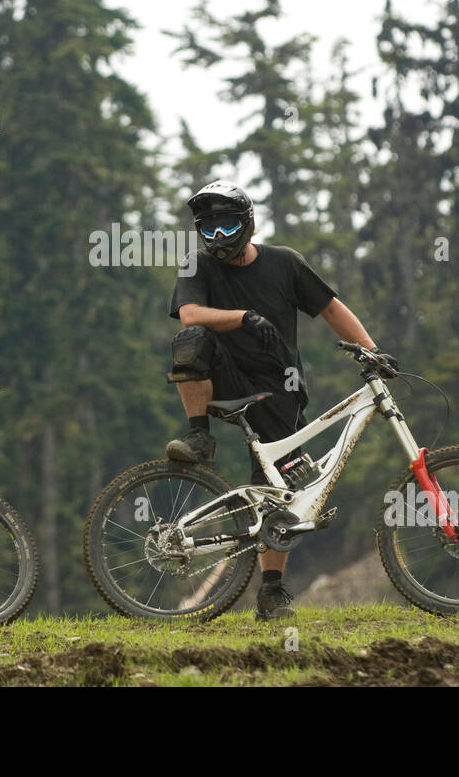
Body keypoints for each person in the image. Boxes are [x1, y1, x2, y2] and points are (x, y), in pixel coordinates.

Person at [165, 180, 395, 620]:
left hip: (280, 386)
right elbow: (191, 315)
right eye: (208, 229)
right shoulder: (198, 267)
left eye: (226, 225)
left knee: (281, 490)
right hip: (226, 379)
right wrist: (244, 319)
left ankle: (271, 593)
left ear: (248, 223)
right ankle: (199, 438)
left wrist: (370, 349)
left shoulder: (285, 263)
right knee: (189, 338)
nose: (218, 237)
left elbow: (330, 307)